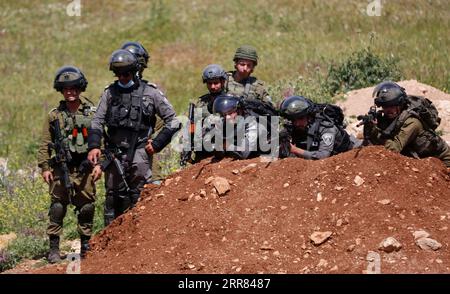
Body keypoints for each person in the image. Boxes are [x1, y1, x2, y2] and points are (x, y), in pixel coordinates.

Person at [87, 49, 180, 226]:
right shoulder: (109, 93)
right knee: (113, 198)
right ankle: (110, 242)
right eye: (118, 74)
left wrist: (158, 143)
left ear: (135, 70)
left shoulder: (150, 92)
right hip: (114, 154)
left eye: (126, 74)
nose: (122, 78)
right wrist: (94, 146)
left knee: (140, 196)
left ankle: (138, 239)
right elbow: (96, 122)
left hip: (140, 152)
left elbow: (174, 121)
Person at [37, 65, 96, 263]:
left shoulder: (91, 113)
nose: (70, 92)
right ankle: (54, 248)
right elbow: (45, 143)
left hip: (84, 169)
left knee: (87, 207)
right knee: (57, 208)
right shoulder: (54, 116)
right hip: (60, 169)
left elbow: (100, 142)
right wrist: (45, 168)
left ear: (80, 89)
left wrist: (99, 164)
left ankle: (85, 244)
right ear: (61, 91)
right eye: (66, 89)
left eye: (74, 88)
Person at [364, 81, 450, 167]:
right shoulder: (391, 117)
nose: (388, 110)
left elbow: (394, 149)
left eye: (392, 106)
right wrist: (369, 126)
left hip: (442, 161)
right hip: (421, 159)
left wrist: (375, 132)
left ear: (400, 104)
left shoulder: (412, 122)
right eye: (385, 106)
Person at [121, 41, 163, 185]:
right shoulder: (113, 92)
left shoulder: (150, 91)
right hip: (119, 154)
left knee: (153, 189)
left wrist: (155, 141)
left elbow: (169, 120)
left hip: (145, 153)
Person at [279, 95, 354, 159]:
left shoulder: (325, 127)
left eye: (301, 118)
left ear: (309, 116)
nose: (297, 123)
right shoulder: (294, 127)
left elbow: (323, 156)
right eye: (293, 120)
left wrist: (295, 150)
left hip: (351, 153)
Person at [211, 94, 273, 160]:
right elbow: (219, 154)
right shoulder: (228, 121)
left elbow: (243, 153)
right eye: (224, 115)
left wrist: (225, 145)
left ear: (239, 110)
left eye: (230, 113)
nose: (227, 117)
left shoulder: (253, 123)